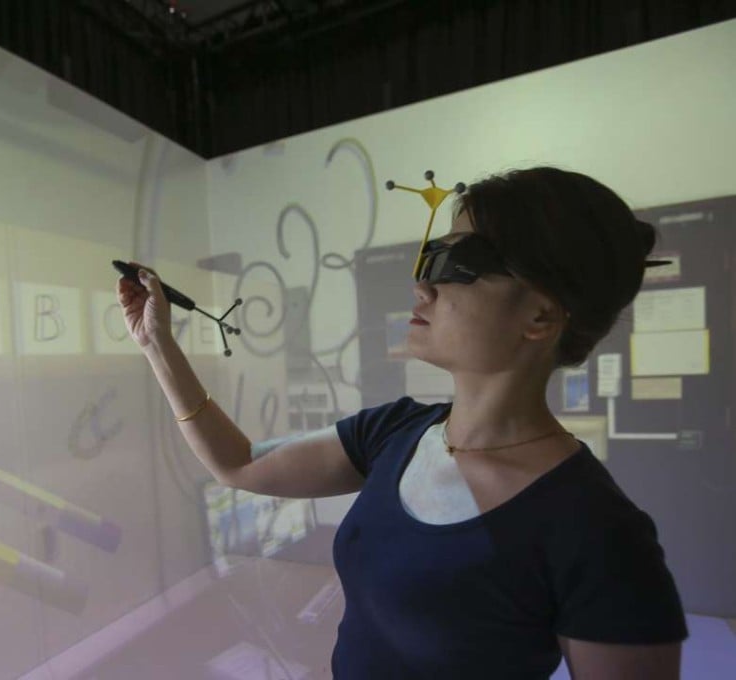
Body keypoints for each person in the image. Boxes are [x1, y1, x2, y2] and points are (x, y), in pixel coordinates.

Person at [116, 166, 688, 679]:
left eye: (459, 263)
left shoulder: (598, 533)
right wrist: (158, 345)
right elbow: (238, 463)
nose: (423, 286)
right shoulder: (396, 432)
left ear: (539, 315)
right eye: (429, 257)